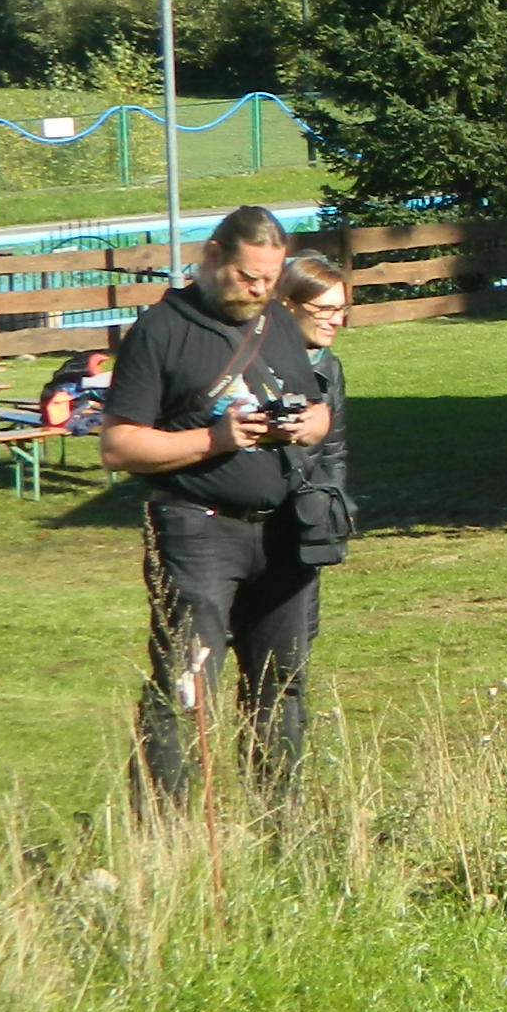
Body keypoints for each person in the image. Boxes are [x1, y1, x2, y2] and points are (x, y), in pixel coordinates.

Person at [99, 205, 333, 803]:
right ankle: (168, 829)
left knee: (282, 686)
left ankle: (279, 823)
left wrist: (312, 424)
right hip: (197, 532)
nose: (259, 290)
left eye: (270, 279)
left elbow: (315, 405)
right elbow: (118, 446)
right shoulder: (159, 331)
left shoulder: (277, 322)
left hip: (283, 531)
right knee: (187, 687)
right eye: (248, 277)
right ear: (212, 257)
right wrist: (215, 440)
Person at [276, 255, 356, 571]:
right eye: (325, 309)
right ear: (287, 305)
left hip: (305, 524)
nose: (337, 321)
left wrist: (329, 508)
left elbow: (334, 452)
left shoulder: (329, 367)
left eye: (341, 309)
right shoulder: (251, 363)